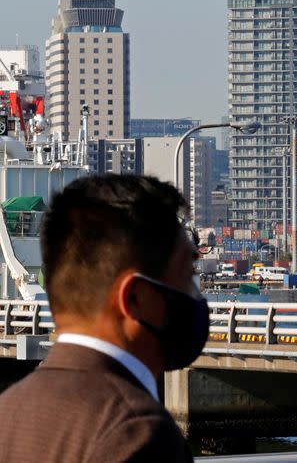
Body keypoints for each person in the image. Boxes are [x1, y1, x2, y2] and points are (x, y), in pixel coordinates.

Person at [0, 175, 207, 462]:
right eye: (188, 277)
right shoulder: (138, 432)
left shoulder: (9, 411)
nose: (196, 296)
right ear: (134, 298)